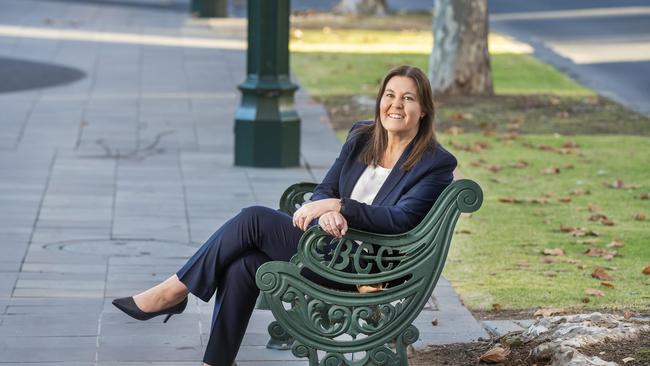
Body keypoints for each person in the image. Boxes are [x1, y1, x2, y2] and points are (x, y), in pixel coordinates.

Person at [112, 65, 457, 366]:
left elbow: (400, 219)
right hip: (326, 247)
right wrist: (325, 212)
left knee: (254, 219)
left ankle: (173, 292)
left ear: (424, 109)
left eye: (408, 99)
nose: (396, 105)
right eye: (390, 95)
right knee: (244, 264)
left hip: (362, 266)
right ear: (380, 99)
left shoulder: (434, 163)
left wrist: (340, 208)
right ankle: (214, 361)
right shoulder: (361, 137)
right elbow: (325, 188)